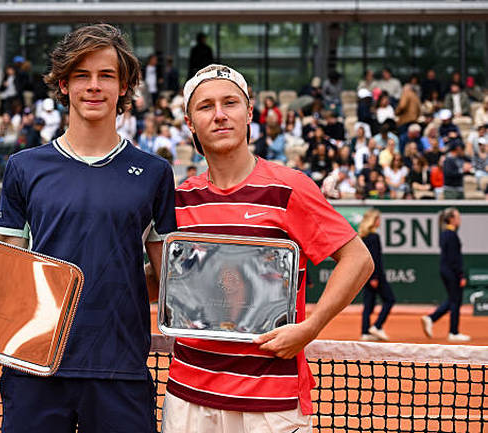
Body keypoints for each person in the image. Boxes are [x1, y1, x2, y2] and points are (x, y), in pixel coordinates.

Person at [0, 24, 177, 433]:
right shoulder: (23, 167)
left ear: (124, 86)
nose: (94, 86)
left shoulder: (155, 173)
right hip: (32, 366)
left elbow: (169, 280)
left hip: (119, 367)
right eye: (82, 75)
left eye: (106, 75)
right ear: (64, 84)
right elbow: (2, 271)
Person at [159, 64, 373, 433]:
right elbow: (166, 283)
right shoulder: (180, 199)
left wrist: (310, 327)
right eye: (206, 106)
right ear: (190, 123)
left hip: (272, 404)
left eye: (230, 103)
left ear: (249, 113)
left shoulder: (290, 188)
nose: (220, 114)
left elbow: (358, 260)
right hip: (189, 398)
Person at [421, 208, 470, 342]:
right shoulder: (451, 235)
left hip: (446, 270)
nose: (459, 220)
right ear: (452, 219)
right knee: (455, 301)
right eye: (457, 217)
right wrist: (460, 275)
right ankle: (453, 332)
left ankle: (431, 318)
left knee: (453, 300)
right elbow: (454, 258)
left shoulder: (445, 234)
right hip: (452, 272)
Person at [358, 209, 395, 341]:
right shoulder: (374, 237)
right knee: (390, 299)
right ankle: (377, 326)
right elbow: (374, 258)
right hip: (375, 276)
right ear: (372, 221)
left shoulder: (363, 237)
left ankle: (365, 332)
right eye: (378, 219)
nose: (379, 221)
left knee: (369, 303)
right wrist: (374, 277)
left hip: (366, 275)